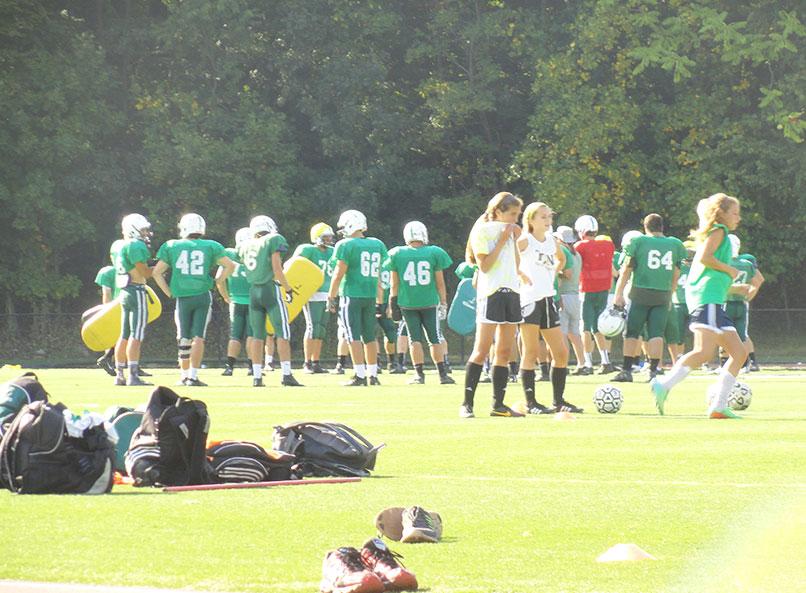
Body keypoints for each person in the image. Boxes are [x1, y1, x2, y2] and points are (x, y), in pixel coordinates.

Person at [650, 193, 747, 418]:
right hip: (708, 300)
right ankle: (663, 385)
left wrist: (733, 288)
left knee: (739, 353)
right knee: (704, 351)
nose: (738, 218)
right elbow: (704, 257)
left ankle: (719, 406)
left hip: (712, 300)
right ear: (721, 214)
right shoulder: (719, 231)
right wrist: (730, 270)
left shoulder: (718, 233)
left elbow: (709, 274)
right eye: (734, 213)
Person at [461, 192, 525, 418]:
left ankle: (498, 405)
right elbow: (486, 265)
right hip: (491, 293)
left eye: (518, 214)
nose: (516, 219)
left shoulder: (513, 232)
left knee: (505, 351)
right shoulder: (483, 231)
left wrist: (516, 240)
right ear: (498, 211)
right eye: (512, 214)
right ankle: (467, 404)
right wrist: (502, 238)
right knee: (481, 350)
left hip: (512, 292)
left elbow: (517, 265)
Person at [153, 213, 234, 386]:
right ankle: (193, 376)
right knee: (199, 336)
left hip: (182, 298)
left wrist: (168, 292)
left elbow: (156, 272)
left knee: (183, 337)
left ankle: (183, 375)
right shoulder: (211, 245)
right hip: (202, 295)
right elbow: (230, 265)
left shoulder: (172, 245)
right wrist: (217, 281)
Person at [517, 202, 582, 413]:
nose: (547, 221)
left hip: (547, 299)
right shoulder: (525, 240)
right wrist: (520, 274)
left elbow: (562, 259)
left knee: (561, 352)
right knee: (531, 351)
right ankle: (531, 402)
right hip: (529, 300)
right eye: (543, 217)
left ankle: (559, 401)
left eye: (549, 217)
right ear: (530, 220)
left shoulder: (552, 241)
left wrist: (554, 271)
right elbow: (509, 259)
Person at [613, 214, 687, 382]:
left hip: (640, 292)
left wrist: (618, 293)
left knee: (632, 332)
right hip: (663, 294)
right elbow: (676, 273)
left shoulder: (638, 242)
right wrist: (670, 294)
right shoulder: (675, 244)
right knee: (656, 333)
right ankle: (653, 371)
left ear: (645, 227)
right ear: (662, 226)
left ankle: (626, 370)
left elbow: (626, 270)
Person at [387, 221, 454, 385]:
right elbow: (440, 282)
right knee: (435, 338)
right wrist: (444, 301)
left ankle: (419, 375)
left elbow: (394, 284)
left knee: (414, 339)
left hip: (407, 303)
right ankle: (442, 375)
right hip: (430, 302)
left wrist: (392, 303)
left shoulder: (397, 253)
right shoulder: (434, 252)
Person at [239, 215, 303, 387]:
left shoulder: (245, 245)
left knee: (257, 335)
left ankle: (257, 377)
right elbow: (277, 268)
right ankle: (286, 374)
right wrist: (288, 288)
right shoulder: (273, 239)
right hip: (269, 289)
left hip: (253, 291)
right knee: (282, 332)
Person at [327, 209, 388, 386]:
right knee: (369, 337)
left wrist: (331, 297)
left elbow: (338, 274)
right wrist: (379, 299)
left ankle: (359, 375)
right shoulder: (377, 244)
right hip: (369, 296)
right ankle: (373, 375)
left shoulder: (346, 245)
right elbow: (378, 275)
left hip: (351, 296)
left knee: (352, 336)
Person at [113, 213, 153, 386]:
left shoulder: (122, 245)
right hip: (136, 290)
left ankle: (119, 374)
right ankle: (133, 375)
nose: (146, 233)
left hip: (124, 291)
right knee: (136, 335)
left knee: (124, 335)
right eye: (143, 229)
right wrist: (159, 268)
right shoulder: (136, 245)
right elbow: (144, 272)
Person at [574, 215, 617, 374]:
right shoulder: (608, 244)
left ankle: (588, 363)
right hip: (604, 289)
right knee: (598, 327)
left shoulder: (580, 246)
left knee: (585, 327)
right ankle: (605, 361)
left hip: (587, 289)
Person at [294, 222, 336, 374]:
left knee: (321, 329)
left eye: (329, 237)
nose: (328, 240)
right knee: (312, 327)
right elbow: (294, 265)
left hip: (327, 293)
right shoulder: (307, 249)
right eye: (325, 237)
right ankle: (307, 363)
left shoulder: (333, 251)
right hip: (311, 293)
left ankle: (316, 362)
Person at [722, 234, 763, 369]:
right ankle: (745, 364)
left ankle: (726, 363)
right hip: (741, 303)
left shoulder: (724, 262)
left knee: (723, 333)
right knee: (742, 336)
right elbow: (757, 282)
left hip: (726, 302)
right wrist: (748, 296)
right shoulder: (746, 264)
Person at [220, 227, 253, 376]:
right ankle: (253, 367)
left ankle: (229, 367)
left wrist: (226, 296)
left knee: (235, 335)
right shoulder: (255, 254)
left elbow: (219, 280)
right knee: (252, 335)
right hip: (254, 301)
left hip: (235, 300)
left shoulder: (229, 255)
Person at [664, 240, 695, 365]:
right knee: (678, 336)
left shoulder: (697, 266)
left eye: (691, 252)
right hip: (679, 303)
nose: (689, 255)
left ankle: (702, 361)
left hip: (692, 304)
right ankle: (679, 360)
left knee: (699, 333)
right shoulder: (677, 266)